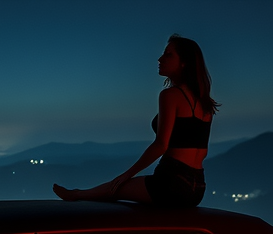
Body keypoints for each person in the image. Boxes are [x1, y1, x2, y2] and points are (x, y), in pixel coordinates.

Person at [53, 35, 219, 207]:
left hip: (172, 183)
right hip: (197, 187)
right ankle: (76, 193)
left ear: (184, 63)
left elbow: (161, 144)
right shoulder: (205, 103)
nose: (160, 59)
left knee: (116, 188)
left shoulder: (171, 95)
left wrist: (127, 174)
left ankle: (75, 195)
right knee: (118, 188)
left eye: (168, 55)